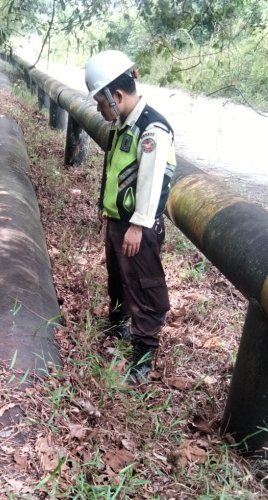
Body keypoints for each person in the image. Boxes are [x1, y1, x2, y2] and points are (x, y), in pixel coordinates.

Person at [84, 50, 177, 385]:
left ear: (117, 95)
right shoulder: (123, 126)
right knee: (118, 279)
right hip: (119, 222)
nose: (98, 109)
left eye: (100, 102)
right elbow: (115, 173)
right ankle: (119, 323)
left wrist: (137, 226)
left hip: (140, 227)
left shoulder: (151, 129)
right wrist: (107, 213)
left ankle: (143, 358)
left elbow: (151, 186)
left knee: (143, 287)